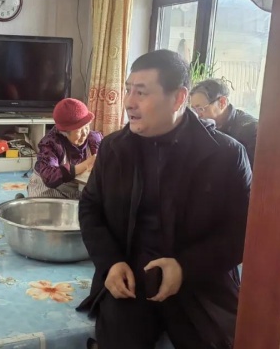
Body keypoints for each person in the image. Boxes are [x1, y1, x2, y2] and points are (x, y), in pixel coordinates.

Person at [77, 50, 252, 349]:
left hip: (200, 282)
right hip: (130, 277)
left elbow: (243, 232)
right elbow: (90, 208)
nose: (129, 102)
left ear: (178, 98)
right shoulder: (113, 148)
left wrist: (185, 268)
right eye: (129, 90)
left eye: (141, 92)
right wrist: (110, 263)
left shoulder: (226, 155)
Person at [27, 98, 102, 199]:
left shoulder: (94, 138)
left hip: (78, 188)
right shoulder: (51, 143)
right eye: (80, 130)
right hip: (49, 189)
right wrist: (86, 164)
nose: (85, 133)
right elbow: (49, 177)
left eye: (87, 126)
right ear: (65, 132)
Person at [190, 78, 259, 167]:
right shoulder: (205, 127)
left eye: (201, 109)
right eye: (194, 109)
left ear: (222, 102)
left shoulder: (249, 130)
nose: (198, 115)